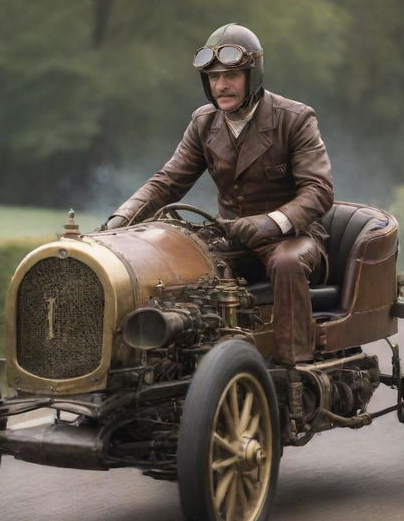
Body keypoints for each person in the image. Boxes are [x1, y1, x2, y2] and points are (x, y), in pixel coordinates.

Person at [102, 23, 334, 365]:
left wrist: (271, 223)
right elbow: (168, 182)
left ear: (252, 76)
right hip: (229, 238)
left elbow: (319, 190)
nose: (221, 86)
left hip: (290, 237)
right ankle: (168, 364)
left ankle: (295, 365)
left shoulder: (295, 119)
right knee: (166, 269)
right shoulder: (203, 122)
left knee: (286, 264)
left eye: (231, 76)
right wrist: (119, 220)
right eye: (213, 78)